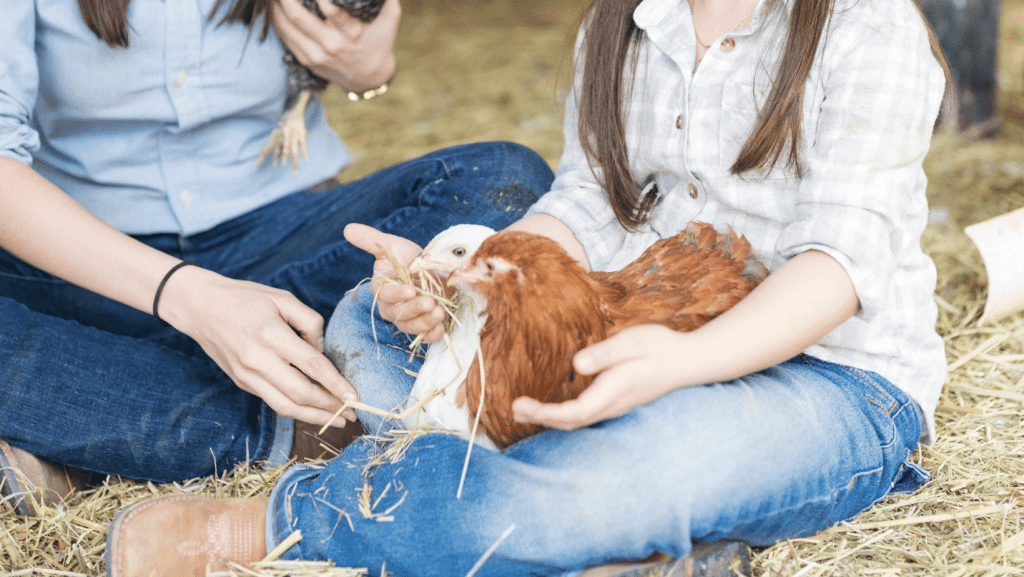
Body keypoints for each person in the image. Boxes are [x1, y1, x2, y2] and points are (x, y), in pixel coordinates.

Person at [104, 0, 952, 575]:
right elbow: (585, 202)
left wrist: (680, 364)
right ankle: (572, 524)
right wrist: (463, 285)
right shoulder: (622, 21)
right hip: (622, 326)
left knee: (623, 473)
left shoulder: (868, 25)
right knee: (367, 319)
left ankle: (301, 518)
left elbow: (838, 267)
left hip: (823, 372)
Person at [0, 0, 555, 517]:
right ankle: (305, 426)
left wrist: (365, 69)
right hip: (79, 260)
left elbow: (363, 50)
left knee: (503, 181)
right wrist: (188, 298)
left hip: (282, 241)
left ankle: (100, 411)